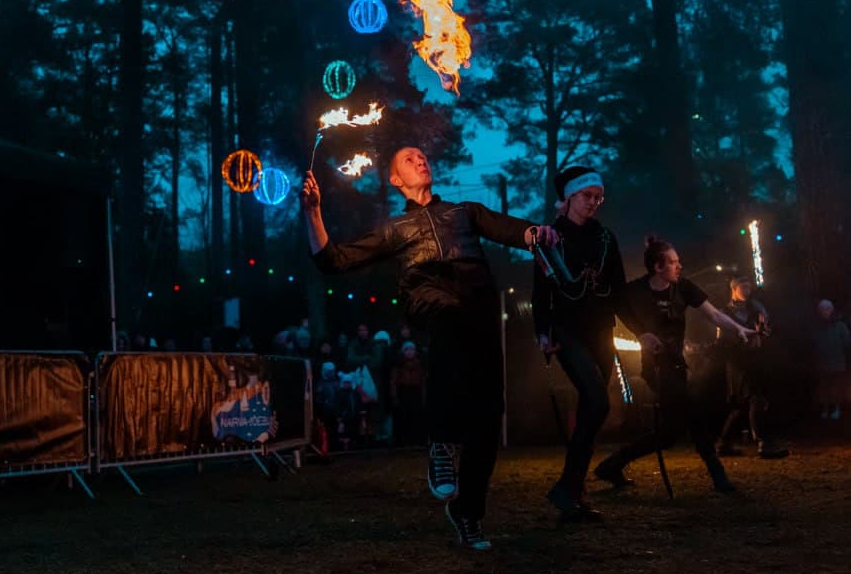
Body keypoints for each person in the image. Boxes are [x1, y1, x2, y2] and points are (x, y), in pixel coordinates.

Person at [302, 147, 558, 550]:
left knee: (488, 419)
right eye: (407, 158)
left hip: (479, 311)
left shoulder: (465, 212)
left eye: (422, 156)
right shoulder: (395, 229)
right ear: (395, 180)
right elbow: (332, 260)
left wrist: (534, 234)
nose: (420, 160)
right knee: (447, 314)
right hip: (428, 298)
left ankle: (467, 513)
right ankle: (440, 440)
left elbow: (512, 230)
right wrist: (314, 212)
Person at [592, 236, 755, 495]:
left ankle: (612, 465)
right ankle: (719, 478)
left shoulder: (683, 288)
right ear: (658, 267)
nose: (679, 266)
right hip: (655, 369)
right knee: (694, 415)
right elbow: (612, 306)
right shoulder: (635, 290)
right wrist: (640, 333)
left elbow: (713, 314)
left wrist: (738, 328)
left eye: (678, 262)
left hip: (677, 366)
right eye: (673, 262)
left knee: (668, 434)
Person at [531, 165, 625, 522]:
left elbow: (619, 291)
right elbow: (541, 294)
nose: (593, 202)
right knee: (598, 400)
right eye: (587, 196)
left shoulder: (605, 239)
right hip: (566, 333)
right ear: (569, 197)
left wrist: (644, 328)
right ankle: (569, 488)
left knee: (592, 411)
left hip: (602, 334)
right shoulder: (549, 238)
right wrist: (542, 333)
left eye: (598, 197)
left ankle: (570, 491)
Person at [714, 275, 788, 459]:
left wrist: (763, 332)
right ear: (734, 289)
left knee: (747, 402)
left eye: (749, 287)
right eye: (743, 287)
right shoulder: (724, 313)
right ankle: (764, 443)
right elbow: (721, 340)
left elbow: (766, 330)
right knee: (752, 399)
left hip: (755, 359)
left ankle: (724, 444)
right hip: (738, 362)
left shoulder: (756, 308)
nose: (747, 291)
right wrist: (741, 339)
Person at [812, 300, 850, 420]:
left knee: (836, 388)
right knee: (824, 388)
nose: (825, 312)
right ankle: (825, 409)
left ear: (832, 310)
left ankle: (836, 409)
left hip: (837, 363)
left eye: (827, 309)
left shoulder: (840, 326)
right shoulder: (816, 326)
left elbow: (847, 342)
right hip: (822, 363)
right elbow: (813, 342)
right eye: (822, 309)